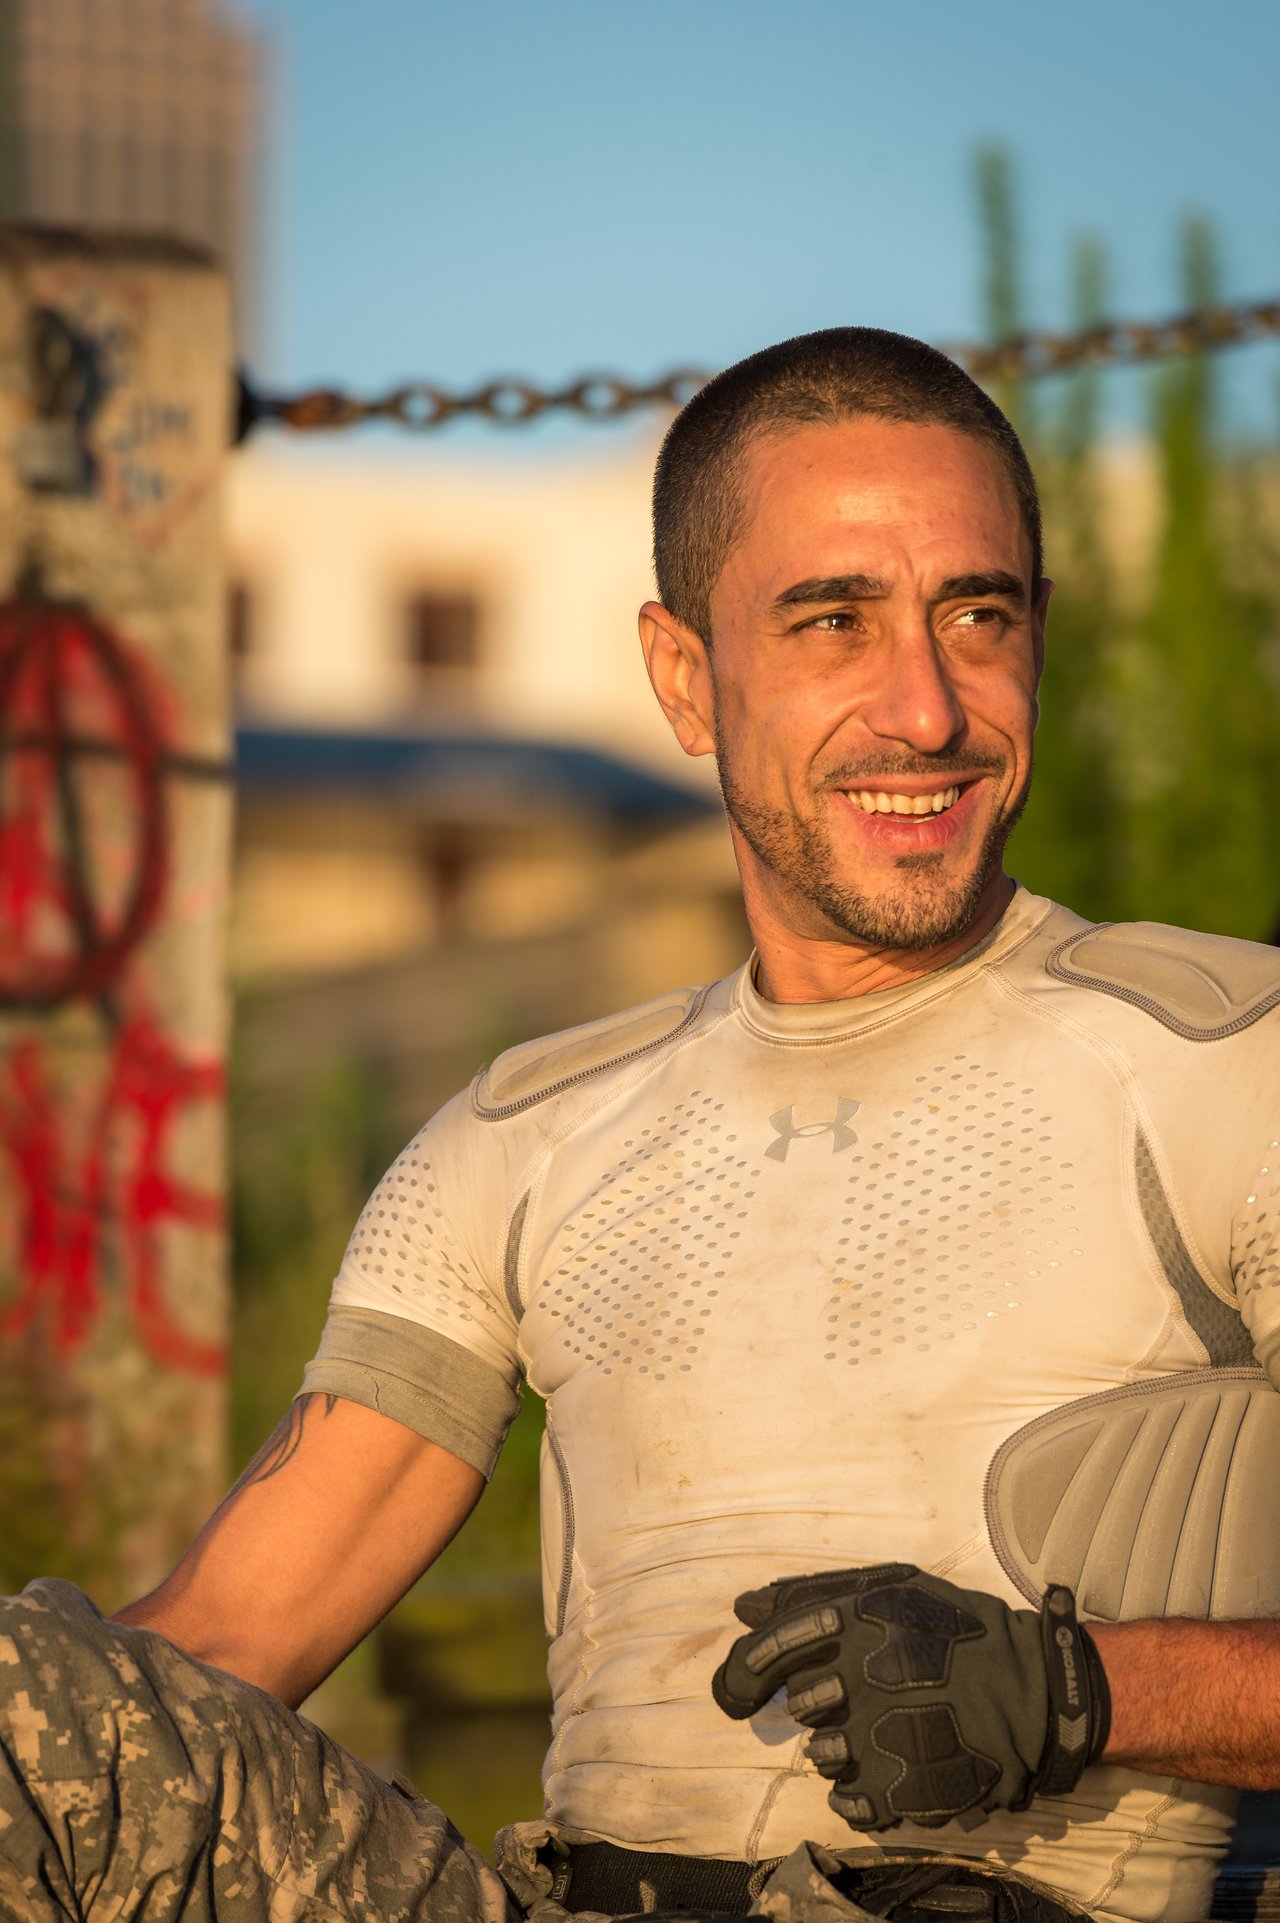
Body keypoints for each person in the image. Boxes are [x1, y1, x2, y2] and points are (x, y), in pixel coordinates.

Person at [4, 327, 1280, 1923]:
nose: (928, 710)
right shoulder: (527, 1134)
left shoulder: (1229, 1056)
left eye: (979, 614)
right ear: (687, 677)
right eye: (833, 622)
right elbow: (202, 1666)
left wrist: (1084, 1691)